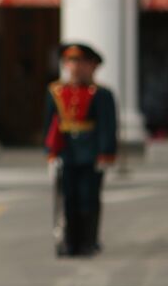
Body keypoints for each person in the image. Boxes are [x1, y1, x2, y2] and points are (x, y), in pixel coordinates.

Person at [43, 42, 118, 257]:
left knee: (88, 198)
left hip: (90, 153)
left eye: (80, 63)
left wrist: (106, 153)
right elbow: (50, 124)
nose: (75, 68)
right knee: (67, 199)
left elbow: (107, 125)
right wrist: (50, 152)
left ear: (91, 66)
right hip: (66, 152)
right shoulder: (56, 91)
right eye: (71, 62)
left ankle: (88, 241)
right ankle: (68, 242)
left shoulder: (100, 93)